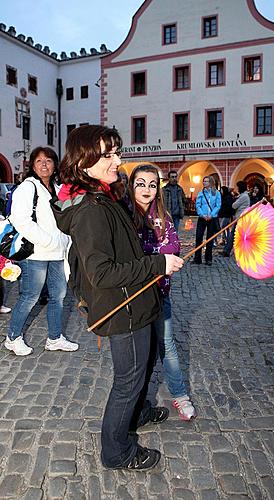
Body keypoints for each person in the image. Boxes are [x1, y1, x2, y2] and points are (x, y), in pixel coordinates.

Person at [52, 125, 183, 471]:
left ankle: (137, 413)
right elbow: (103, 273)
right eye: (108, 154)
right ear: (85, 162)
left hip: (136, 300)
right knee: (128, 380)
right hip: (123, 308)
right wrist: (158, 263)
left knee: (143, 367)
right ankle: (117, 450)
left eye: (117, 152)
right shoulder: (92, 210)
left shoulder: (105, 196)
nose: (117, 160)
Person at [128, 164, 196, 420]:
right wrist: (159, 255)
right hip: (134, 297)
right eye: (141, 183)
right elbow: (131, 255)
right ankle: (135, 401)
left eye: (152, 184)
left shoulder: (163, 216)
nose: (147, 189)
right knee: (139, 353)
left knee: (167, 346)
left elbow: (174, 245)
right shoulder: (124, 216)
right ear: (132, 185)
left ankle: (180, 395)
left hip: (160, 295)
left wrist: (160, 256)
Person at [4, 147, 77, 356]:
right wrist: (47, 240)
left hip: (57, 254)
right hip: (36, 253)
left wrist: (64, 242)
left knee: (58, 297)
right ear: (33, 165)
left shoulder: (58, 188)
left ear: (55, 165)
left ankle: (54, 338)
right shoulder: (28, 187)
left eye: (48, 160)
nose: (44, 164)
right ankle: (13, 337)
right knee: (30, 296)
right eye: (39, 161)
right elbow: (21, 220)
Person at [191, 176, 221, 266]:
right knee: (199, 237)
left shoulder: (216, 193)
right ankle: (197, 258)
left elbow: (218, 205)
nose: (204, 183)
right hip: (202, 218)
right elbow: (198, 205)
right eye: (203, 181)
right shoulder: (201, 193)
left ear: (211, 182)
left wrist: (211, 215)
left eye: (206, 181)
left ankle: (208, 259)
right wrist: (202, 215)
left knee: (210, 239)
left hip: (212, 218)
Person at [222, 180, 250, 257]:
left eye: (238, 187)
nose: (237, 189)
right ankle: (227, 250)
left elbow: (234, 205)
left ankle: (227, 251)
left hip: (240, 219)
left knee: (233, 235)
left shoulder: (244, 196)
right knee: (234, 235)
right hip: (240, 218)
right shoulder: (243, 196)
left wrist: (234, 200)